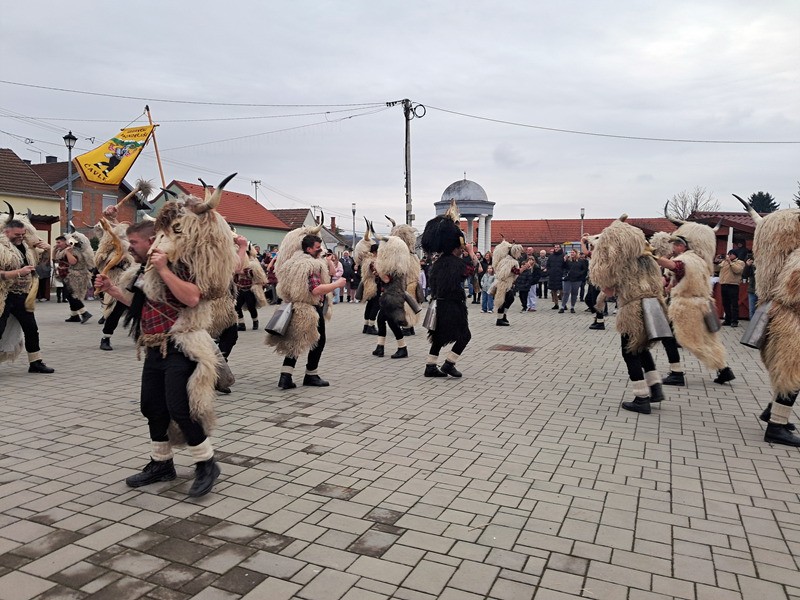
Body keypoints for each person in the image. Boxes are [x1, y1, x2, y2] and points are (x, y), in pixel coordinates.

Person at [96, 172, 240, 497]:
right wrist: (113, 291)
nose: (132, 249)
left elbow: (191, 298)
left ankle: (206, 463)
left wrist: (163, 269)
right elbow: (142, 305)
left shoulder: (187, 264)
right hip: (154, 345)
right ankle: (161, 463)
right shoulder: (147, 269)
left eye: (136, 243)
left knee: (180, 408)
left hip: (183, 344)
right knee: (152, 406)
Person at [589, 217, 666, 415]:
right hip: (654, 306)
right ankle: (655, 387)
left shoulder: (622, 264)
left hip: (633, 309)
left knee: (630, 351)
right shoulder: (648, 259)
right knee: (641, 348)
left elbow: (608, 291)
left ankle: (641, 398)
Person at [654, 232, 735, 386]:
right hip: (702, 304)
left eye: (674, 245)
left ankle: (676, 373)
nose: (672, 248)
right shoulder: (699, 260)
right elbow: (673, 278)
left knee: (683, 339)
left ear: (681, 246)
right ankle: (724, 370)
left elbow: (674, 266)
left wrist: (652, 255)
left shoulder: (685, 260)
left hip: (686, 306)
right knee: (706, 339)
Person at [267, 233, 346, 389]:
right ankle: (311, 375)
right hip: (309, 309)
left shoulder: (291, 263)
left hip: (293, 306)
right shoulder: (311, 265)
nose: (320, 249)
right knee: (318, 341)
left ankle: (285, 377)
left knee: (295, 342)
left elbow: (330, 272)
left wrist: (328, 261)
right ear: (309, 249)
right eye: (317, 247)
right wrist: (337, 285)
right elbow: (316, 289)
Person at [420, 206, 474, 378]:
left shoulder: (439, 263)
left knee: (438, 336)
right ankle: (449, 364)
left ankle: (430, 366)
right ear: (455, 247)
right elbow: (475, 269)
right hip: (452, 306)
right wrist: (471, 253)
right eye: (461, 248)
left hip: (437, 304)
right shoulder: (454, 263)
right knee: (465, 335)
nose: (462, 250)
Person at [0, 218, 54, 373]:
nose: (21, 237)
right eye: (17, 234)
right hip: (3, 296)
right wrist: (18, 272)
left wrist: (47, 250)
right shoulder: (1, 249)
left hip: (22, 296)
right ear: (6, 232)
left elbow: (42, 266)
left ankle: (35, 362)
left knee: (31, 329)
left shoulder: (27, 248)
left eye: (23, 234)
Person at [53, 233, 94, 324]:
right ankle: (74, 316)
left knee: (71, 295)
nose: (57, 244)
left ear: (65, 242)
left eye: (59, 242)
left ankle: (84, 313)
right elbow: (55, 259)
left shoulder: (73, 250)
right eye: (56, 242)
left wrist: (68, 252)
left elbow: (73, 262)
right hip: (66, 275)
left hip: (73, 276)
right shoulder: (63, 250)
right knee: (69, 295)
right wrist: (55, 250)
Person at [719, 249, 744, 327]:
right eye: (728, 254)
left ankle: (734, 321)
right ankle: (728, 320)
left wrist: (730, 262)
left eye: (731, 254)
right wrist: (716, 262)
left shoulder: (740, 262)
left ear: (735, 255)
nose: (729, 256)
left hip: (733, 285)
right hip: (724, 284)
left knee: (734, 304)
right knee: (725, 303)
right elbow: (717, 269)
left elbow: (737, 270)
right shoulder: (724, 262)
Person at [546, 244, 565, 309]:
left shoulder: (563, 256)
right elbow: (548, 265)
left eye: (557, 247)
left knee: (562, 291)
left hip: (560, 275)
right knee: (553, 290)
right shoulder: (551, 256)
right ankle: (556, 304)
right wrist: (549, 271)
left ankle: (564, 304)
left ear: (560, 248)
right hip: (552, 275)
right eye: (555, 247)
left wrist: (563, 273)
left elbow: (566, 265)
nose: (556, 248)